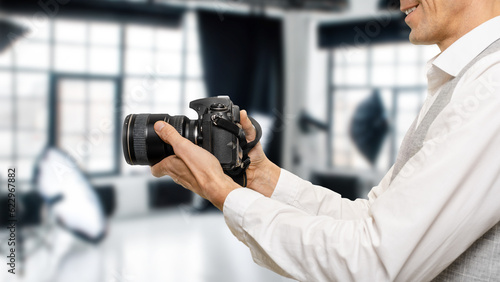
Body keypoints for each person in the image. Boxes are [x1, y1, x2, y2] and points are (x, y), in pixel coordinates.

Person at [150, 0, 500, 280]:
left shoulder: (491, 87)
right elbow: (368, 220)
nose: (399, 3)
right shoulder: (462, 81)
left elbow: (372, 263)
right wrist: (259, 177)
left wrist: (223, 192)